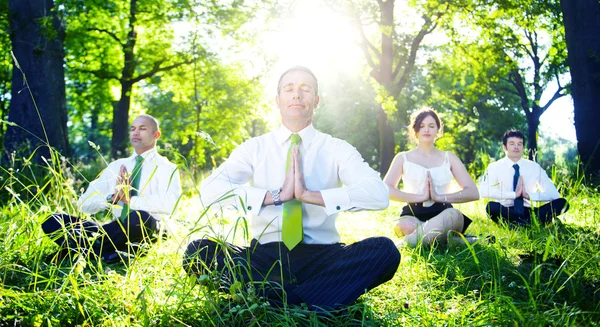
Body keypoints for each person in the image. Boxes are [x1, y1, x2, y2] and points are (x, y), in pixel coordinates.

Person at [184, 66, 400, 311]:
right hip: (264, 256)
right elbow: (210, 191)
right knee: (198, 252)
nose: (297, 94)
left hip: (323, 257)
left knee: (385, 251)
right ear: (278, 101)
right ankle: (313, 297)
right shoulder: (254, 148)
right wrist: (274, 196)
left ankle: (275, 297)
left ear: (316, 101)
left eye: (305, 89)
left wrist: (311, 196)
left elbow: (379, 195)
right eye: (289, 89)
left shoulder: (337, 149)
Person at [42, 114, 182, 263]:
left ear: (156, 135)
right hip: (114, 231)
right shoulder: (116, 166)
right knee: (53, 221)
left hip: (150, 229)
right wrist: (111, 198)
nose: (135, 132)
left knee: (139, 218)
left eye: (142, 129)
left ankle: (83, 250)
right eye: (132, 129)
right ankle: (105, 253)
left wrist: (130, 201)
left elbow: (171, 204)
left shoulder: (167, 168)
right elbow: (84, 203)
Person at [383, 108, 480, 247]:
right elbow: (386, 189)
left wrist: (440, 197)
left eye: (431, 126)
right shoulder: (402, 158)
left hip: (445, 213)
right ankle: (452, 240)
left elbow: (473, 192)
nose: (426, 130)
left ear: (438, 130)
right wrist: (419, 197)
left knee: (454, 215)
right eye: (421, 126)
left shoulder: (449, 157)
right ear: (415, 130)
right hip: (413, 214)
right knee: (404, 226)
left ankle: (399, 246)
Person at [479, 130, 569, 226]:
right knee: (491, 207)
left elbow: (554, 194)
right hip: (507, 211)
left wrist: (528, 196)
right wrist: (514, 195)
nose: (516, 147)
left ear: (523, 147)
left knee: (562, 203)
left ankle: (520, 225)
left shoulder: (534, 167)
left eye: (519, 144)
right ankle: (529, 224)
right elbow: (485, 191)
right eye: (512, 143)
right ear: (504, 147)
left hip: (530, 211)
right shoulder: (495, 167)